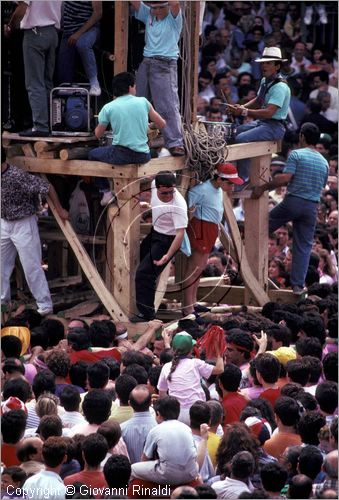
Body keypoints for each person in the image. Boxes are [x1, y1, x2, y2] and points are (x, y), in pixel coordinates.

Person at [252, 122, 329, 295]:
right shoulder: (324, 162)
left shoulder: (296, 154)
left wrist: (262, 188)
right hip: (311, 208)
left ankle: (249, 267)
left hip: (293, 201)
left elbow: (285, 178)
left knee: (261, 227)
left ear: (301, 136)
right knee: (303, 246)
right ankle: (297, 285)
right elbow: (321, 187)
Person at [1, 149, 69, 316]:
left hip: (24, 223)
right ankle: (3, 303)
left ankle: (45, 305)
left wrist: (59, 210)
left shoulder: (17, 176)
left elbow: (47, 187)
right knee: (1, 265)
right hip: (4, 222)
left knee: (31, 266)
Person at [88, 72, 166, 205]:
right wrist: (146, 125)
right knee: (152, 152)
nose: (135, 89)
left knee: (92, 154)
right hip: (143, 156)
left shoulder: (108, 107)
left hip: (121, 156)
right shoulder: (143, 102)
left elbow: (98, 135)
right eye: (135, 86)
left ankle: (106, 192)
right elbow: (162, 124)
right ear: (130, 87)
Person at [182, 163, 244, 315]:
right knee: (194, 269)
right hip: (201, 228)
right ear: (219, 179)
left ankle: (193, 303)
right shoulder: (202, 189)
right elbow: (185, 205)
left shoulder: (217, 189)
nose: (231, 187)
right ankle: (187, 307)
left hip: (210, 229)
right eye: (229, 183)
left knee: (200, 268)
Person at [130, 171, 188, 322]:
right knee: (138, 262)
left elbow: (180, 234)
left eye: (171, 192)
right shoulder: (153, 185)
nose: (168, 196)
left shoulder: (179, 204)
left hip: (168, 239)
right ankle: (145, 302)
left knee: (144, 274)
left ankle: (147, 315)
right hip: (155, 232)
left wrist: (168, 255)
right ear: (157, 187)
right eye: (164, 193)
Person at [227, 46, 291, 182]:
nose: (264, 66)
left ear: (277, 66)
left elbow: (269, 112)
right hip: (264, 124)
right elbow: (258, 100)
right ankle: (232, 173)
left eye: (268, 63)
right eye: (263, 62)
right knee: (234, 133)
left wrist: (244, 111)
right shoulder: (265, 80)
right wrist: (241, 106)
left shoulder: (280, 87)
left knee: (241, 139)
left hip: (275, 127)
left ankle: (243, 178)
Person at [130, 1, 185, 157]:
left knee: (166, 104)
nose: (158, 10)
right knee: (137, 102)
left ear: (167, 6)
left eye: (162, 6)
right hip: (147, 61)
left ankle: (175, 142)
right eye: (155, 7)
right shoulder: (149, 14)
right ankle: (133, 140)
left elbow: (175, 3)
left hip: (165, 63)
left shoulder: (174, 18)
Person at [4, 1, 62, 136]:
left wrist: (10, 27)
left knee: (34, 83)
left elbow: (22, 7)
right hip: (52, 32)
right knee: (47, 81)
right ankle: (51, 124)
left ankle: (40, 126)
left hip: (35, 33)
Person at [157, 331, 224, 424]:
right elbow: (220, 369)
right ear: (191, 350)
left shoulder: (166, 366)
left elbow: (162, 394)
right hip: (197, 413)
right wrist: (219, 352)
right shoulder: (195, 363)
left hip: (176, 414)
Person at [131, 396, 199, 485]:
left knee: (133, 468)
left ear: (158, 414)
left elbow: (145, 458)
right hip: (191, 473)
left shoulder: (156, 430)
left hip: (169, 475)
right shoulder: (187, 428)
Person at [57, 1, 102, 96]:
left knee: (83, 44)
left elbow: (98, 13)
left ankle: (94, 83)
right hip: (68, 31)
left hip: (89, 29)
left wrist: (78, 34)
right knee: (63, 74)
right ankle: (66, 105)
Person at [120, 384, 157, 464]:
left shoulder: (122, 429)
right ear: (151, 402)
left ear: (129, 404)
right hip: (153, 475)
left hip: (130, 474)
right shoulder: (159, 428)